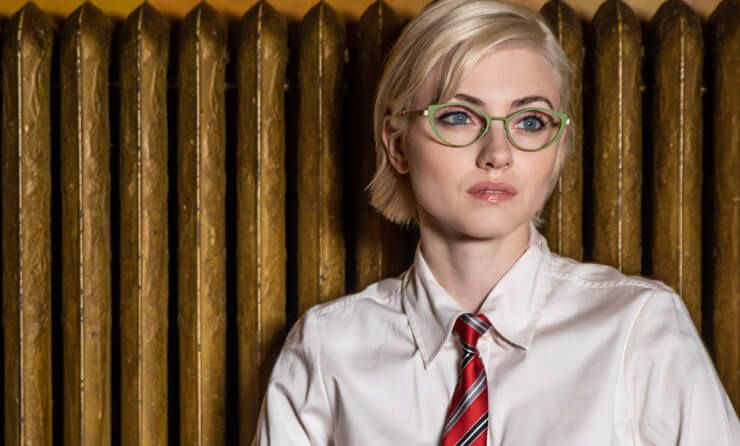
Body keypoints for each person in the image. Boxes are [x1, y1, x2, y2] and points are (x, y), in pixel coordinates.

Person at [252, 0, 740, 444]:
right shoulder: (327, 347)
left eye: (530, 122)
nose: (498, 154)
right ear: (398, 144)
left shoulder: (639, 329)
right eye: (460, 117)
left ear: (557, 147)